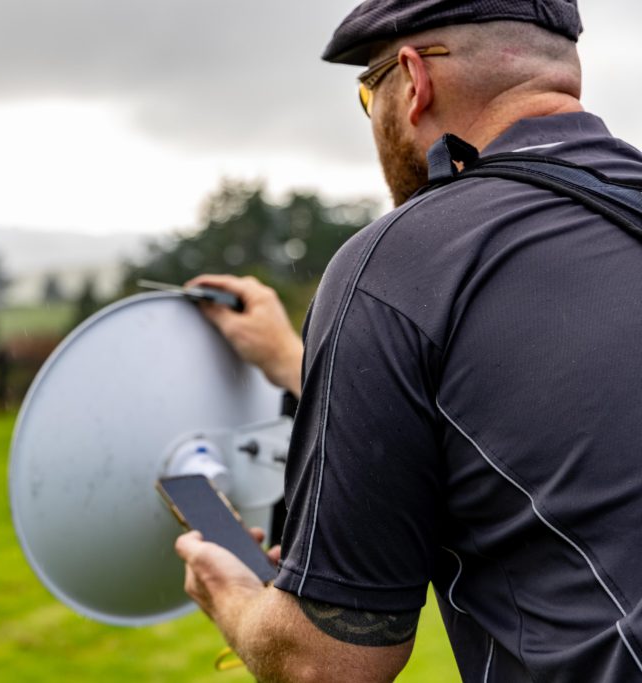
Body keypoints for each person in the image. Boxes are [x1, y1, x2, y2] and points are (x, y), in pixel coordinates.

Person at [173, 1, 642, 681]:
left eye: (371, 89)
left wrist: (232, 591)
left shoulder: (398, 262)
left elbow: (324, 662)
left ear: (414, 80)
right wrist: (291, 360)